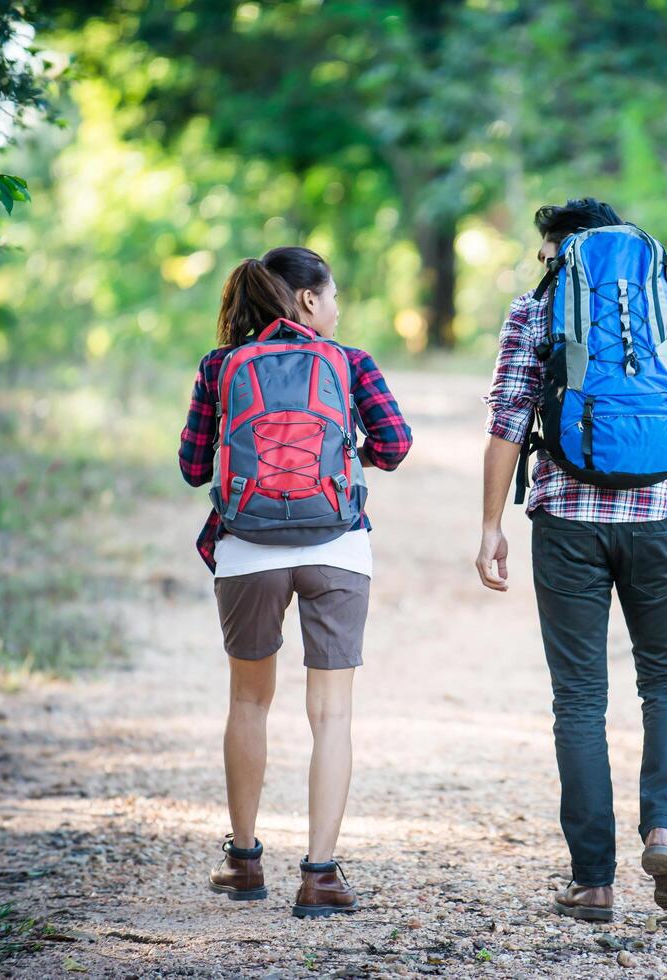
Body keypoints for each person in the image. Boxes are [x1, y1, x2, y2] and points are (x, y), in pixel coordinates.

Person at [476, 199, 667, 922]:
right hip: (658, 512)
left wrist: (489, 525)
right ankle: (665, 830)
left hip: (568, 521)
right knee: (666, 679)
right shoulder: (665, 291)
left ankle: (593, 881)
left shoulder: (534, 307)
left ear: (561, 249)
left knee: (579, 698)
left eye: (547, 255)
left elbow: (509, 417)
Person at [178, 246, 412, 918]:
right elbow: (394, 446)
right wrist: (343, 455)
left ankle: (245, 862)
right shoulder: (350, 361)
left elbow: (195, 468)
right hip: (336, 544)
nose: (337, 308)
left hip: (246, 548)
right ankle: (320, 876)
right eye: (332, 295)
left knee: (249, 703)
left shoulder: (220, 366)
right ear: (307, 300)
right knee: (331, 713)